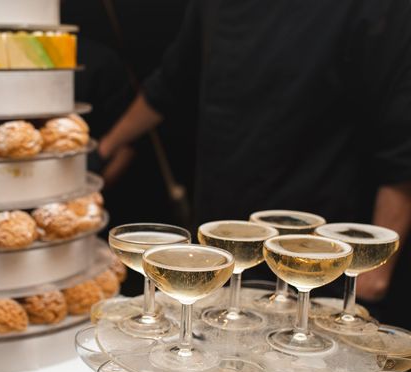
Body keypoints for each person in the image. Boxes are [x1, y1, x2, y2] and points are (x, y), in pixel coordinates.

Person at [99, 0, 411, 318]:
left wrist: (374, 273)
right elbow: (170, 81)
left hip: (317, 255)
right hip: (225, 238)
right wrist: (104, 150)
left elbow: (400, 138)